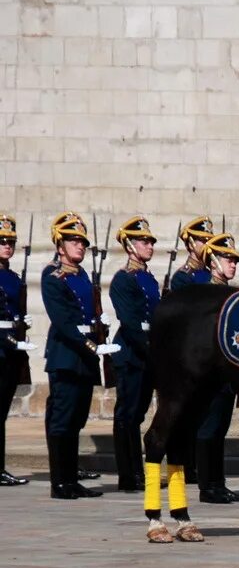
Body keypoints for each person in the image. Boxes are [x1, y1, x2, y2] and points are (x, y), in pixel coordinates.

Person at [40, 212, 120, 499]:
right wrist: (91, 346)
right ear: (60, 245)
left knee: (76, 420)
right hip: (66, 357)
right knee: (62, 420)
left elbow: (88, 315)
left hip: (86, 358)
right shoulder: (52, 275)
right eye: (74, 241)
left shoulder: (83, 274)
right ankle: (59, 483)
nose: (80, 246)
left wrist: (101, 327)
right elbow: (63, 322)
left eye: (82, 242)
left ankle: (71, 479)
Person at [192, 232, 239, 504]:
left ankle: (218, 483)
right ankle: (207, 486)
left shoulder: (233, 295)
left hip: (227, 374)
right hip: (208, 373)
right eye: (228, 259)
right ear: (212, 261)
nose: (233, 264)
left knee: (220, 428)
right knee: (208, 428)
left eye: (234, 260)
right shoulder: (202, 294)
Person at [108, 216, 161, 492]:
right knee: (126, 415)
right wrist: (151, 351)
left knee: (137, 415)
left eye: (150, 241)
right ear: (129, 245)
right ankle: (128, 475)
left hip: (147, 353)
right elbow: (130, 323)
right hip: (131, 354)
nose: (149, 245)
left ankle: (137, 472)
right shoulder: (123, 279)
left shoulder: (148, 278)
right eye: (143, 241)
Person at [0, 213, 39, 486]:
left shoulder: (13, 277)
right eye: (2, 242)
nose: (7, 246)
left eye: (10, 242)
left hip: (11, 350)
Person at [169, 216, 215, 291]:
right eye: (203, 241)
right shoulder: (182, 277)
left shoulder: (211, 274)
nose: (207, 245)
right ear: (191, 245)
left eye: (209, 241)